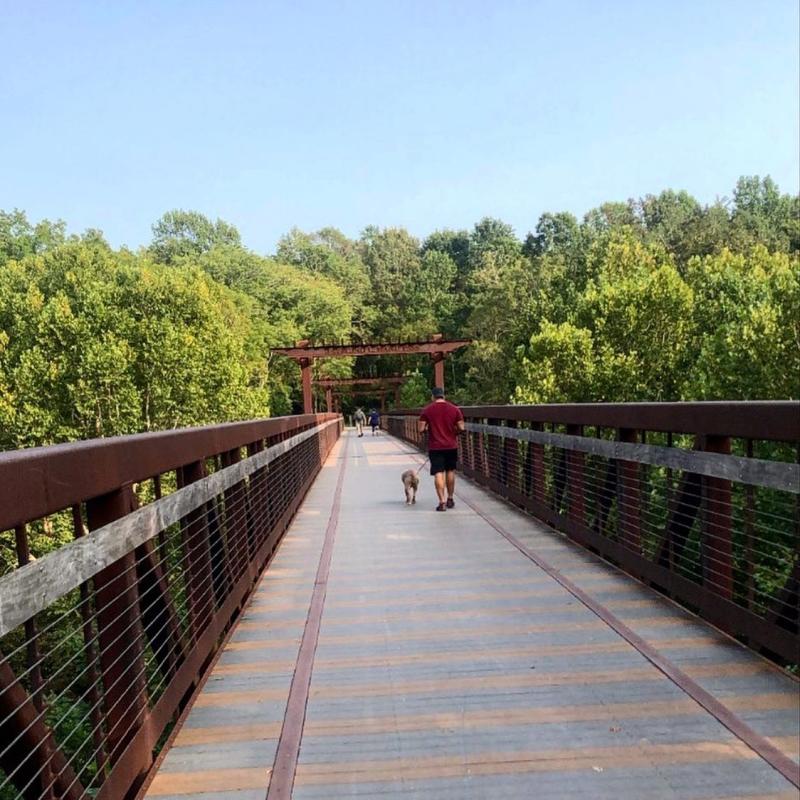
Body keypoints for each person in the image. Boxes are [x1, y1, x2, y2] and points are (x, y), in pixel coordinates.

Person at [418, 387, 464, 512]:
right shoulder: (455, 409)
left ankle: (442, 502)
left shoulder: (427, 410)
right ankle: (450, 498)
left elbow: (421, 429)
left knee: (438, 473)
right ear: (444, 396)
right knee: (450, 471)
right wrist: (454, 432)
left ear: (432, 397)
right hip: (451, 445)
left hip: (435, 446)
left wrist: (428, 429)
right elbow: (461, 427)